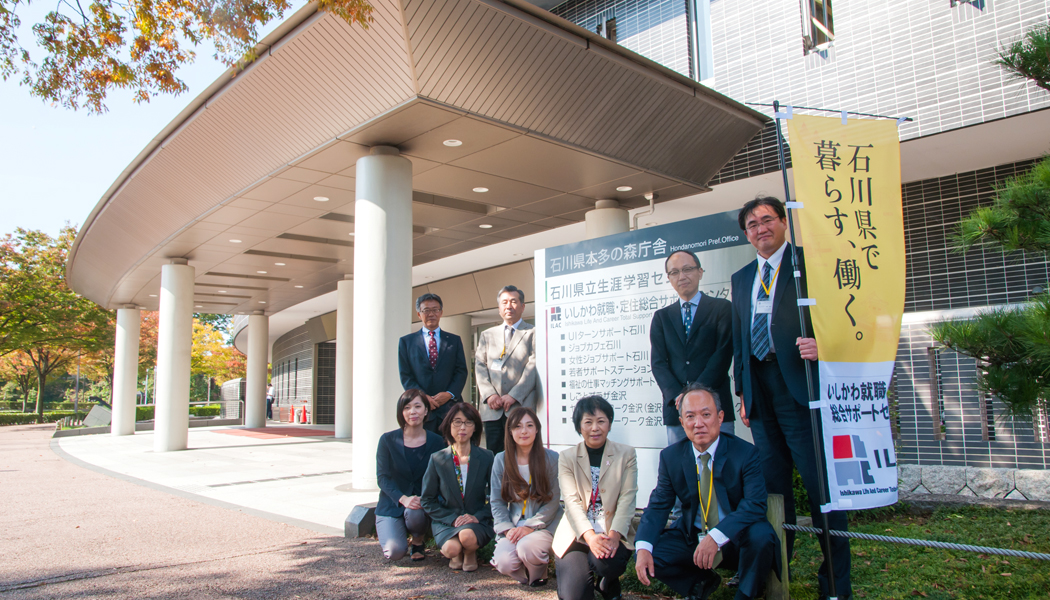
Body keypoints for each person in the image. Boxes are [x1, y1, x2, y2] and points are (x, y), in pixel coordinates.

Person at [730, 196, 851, 599]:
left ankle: (834, 584)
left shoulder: (808, 263)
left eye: (767, 220)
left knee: (821, 490)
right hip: (760, 392)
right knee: (774, 491)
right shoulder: (743, 276)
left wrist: (825, 343)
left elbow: (845, 314)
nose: (760, 228)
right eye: (752, 224)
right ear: (746, 234)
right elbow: (738, 338)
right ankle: (778, 578)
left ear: (783, 222)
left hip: (802, 389)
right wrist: (742, 392)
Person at [634, 384, 779, 600]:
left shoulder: (746, 453)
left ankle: (746, 594)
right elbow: (659, 505)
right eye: (690, 416)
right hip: (695, 537)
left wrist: (716, 536)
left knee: (761, 536)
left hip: (735, 538)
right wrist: (643, 547)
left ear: (720, 417)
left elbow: (755, 504)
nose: (698, 423)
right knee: (652, 549)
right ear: (682, 422)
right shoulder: (671, 457)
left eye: (706, 414)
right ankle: (699, 584)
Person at [553, 395, 638, 600]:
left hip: (611, 531)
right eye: (588, 422)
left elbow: (627, 498)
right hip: (577, 533)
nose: (595, 428)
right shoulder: (566, 457)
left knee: (606, 563)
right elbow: (571, 502)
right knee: (574, 595)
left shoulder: (626, 454)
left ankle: (607, 582)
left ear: (609, 423)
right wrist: (590, 537)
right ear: (579, 426)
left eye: (601, 421)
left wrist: (616, 536)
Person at [651, 249, 735, 446]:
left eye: (687, 269)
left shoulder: (722, 309)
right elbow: (658, 363)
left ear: (700, 272)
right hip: (677, 409)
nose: (682, 276)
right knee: (680, 470)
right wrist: (679, 397)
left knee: (723, 466)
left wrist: (695, 394)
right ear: (669, 278)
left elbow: (722, 354)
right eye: (675, 272)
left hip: (715, 405)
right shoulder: (662, 318)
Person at [490, 406, 561, 587]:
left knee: (527, 548)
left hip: (543, 524)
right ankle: (527, 576)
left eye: (529, 425)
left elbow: (553, 501)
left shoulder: (552, 458)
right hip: (514, 525)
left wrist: (530, 526)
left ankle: (538, 571)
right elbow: (497, 501)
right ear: (510, 431)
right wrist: (507, 529)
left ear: (537, 429)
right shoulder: (501, 459)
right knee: (504, 561)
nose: (524, 431)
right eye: (518, 426)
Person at [420, 402, 495, 572]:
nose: (463, 427)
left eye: (468, 422)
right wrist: (452, 518)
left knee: (467, 536)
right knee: (450, 549)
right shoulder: (437, 459)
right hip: (447, 520)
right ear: (449, 425)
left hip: (476, 520)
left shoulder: (486, 457)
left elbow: (497, 496)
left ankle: (470, 552)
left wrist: (478, 516)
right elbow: (427, 500)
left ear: (475, 427)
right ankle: (457, 553)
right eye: (457, 422)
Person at [375, 389, 447, 561]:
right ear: (401, 412)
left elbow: (441, 478)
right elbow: (383, 478)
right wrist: (403, 498)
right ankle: (399, 536)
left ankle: (418, 541)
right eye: (407, 407)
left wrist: (425, 499)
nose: (412, 411)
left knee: (415, 511)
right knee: (394, 552)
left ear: (426, 411)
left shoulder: (437, 442)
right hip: (392, 504)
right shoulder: (387, 440)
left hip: (422, 507)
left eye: (417, 406)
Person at [476, 285, 538, 453]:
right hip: (493, 409)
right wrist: (490, 395)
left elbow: (532, 367)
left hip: (521, 406)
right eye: (504, 302)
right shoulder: (487, 335)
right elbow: (480, 366)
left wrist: (513, 396)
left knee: (521, 453)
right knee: (494, 455)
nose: (508, 306)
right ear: (499, 309)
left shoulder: (533, 332)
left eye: (513, 301)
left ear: (523, 306)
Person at [398, 293, 469, 434]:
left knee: (452, 451)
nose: (431, 314)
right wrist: (423, 397)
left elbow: (461, 371)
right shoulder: (406, 342)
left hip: (450, 408)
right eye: (426, 310)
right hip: (421, 410)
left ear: (441, 312)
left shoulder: (454, 340)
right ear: (419, 314)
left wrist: (449, 394)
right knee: (423, 450)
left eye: (435, 310)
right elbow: (406, 375)